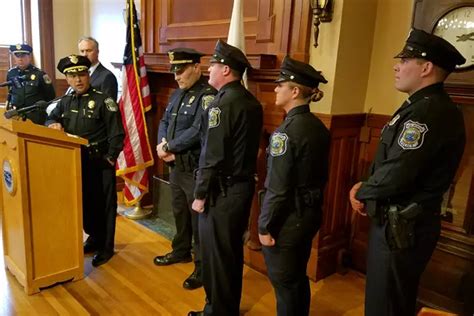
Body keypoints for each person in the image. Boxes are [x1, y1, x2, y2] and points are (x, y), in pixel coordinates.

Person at [349, 29, 466, 316]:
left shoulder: (428, 112)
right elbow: (394, 162)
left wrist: (362, 190)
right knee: (389, 298)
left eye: (405, 60)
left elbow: (400, 171)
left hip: (402, 226)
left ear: (426, 68)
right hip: (396, 223)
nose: (396, 66)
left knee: (386, 305)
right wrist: (367, 185)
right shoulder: (420, 106)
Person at [189, 40, 263, 316]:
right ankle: (226, 308)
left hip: (222, 191)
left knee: (217, 256)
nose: (209, 69)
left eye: (214, 65)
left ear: (227, 70)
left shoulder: (222, 105)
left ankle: (217, 311)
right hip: (241, 187)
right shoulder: (250, 101)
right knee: (230, 255)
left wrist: (199, 195)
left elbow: (213, 155)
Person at [258, 56, 330, 316]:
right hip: (309, 214)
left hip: (288, 218)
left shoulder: (285, 133)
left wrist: (265, 225)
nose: (276, 89)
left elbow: (278, 187)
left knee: (285, 283)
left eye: (281, 85)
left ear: (295, 91)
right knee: (297, 278)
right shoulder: (318, 127)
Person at [46, 54, 125, 267]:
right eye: (72, 76)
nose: (78, 80)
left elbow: (117, 134)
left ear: (88, 75)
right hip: (75, 163)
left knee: (105, 206)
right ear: (67, 79)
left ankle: (106, 247)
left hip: (100, 163)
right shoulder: (65, 101)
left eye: (81, 74)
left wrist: (110, 158)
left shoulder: (103, 100)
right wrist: (52, 122)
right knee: (86, 204)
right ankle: (94, 237)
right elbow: (51, 116)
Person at [153, 48, 217, 290]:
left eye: (181, 71)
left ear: (196, 68)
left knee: (197, 219)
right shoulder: (177, 94)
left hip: (193, 169)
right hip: (176, 166)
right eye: (174, 71)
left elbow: (199, 131)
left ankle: (201, 268)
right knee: (179, 211)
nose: (176, 76)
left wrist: (170, 145)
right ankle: (180, 251)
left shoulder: (208, 96)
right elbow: (164, 121)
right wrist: (162, 145)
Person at [6, 44, 55, 124]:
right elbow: (11, 91)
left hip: (35, 115)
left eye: (23, 56)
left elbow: (50, 95)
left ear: (29, 57)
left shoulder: (40, 74)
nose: (20, 59)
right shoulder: (11, 73)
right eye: (17, 56)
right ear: (14, 57)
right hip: (17, 114)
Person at [78, 36, 118, 101]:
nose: (84, 55)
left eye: (88, 50)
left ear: (97, 52)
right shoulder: (77, 76)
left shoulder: (107, 76)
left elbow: (108, 106)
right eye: (82, 51)